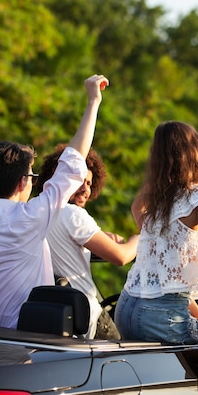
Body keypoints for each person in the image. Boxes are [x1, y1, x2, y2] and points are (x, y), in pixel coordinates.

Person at [0, 74, 109, 329]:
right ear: (24, 182)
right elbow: (73, 163)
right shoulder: (30, 217)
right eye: (33, 177)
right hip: (27, 350)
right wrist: (93, 102)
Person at [114, 121, 198, 345]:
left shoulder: (159, 198)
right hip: (161, 315)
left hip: (125, 307)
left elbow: (136, 207)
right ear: (197, 152)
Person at [35, 144, 139, 339]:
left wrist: (101, 237)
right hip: (87, 319)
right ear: (61, 180)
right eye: (79, 181)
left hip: (51, 316)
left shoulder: (36, 211)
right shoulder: (73, 214)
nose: (85, 189)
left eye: (90, 183)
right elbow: (121, 257)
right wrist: (139, 239)